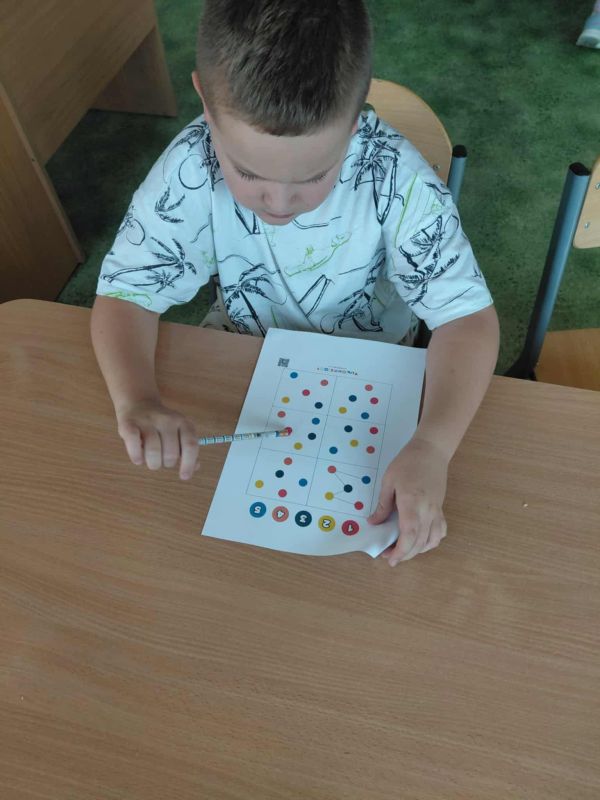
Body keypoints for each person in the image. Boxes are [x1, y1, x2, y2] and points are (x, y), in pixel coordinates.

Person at [91, 0, 500, 565]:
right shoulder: (190, 164)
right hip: (240, 357)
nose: (279, 202)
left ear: (355, 119)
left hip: (379, 378)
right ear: (205, 103)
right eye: (248, 172)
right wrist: (136, 398)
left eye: (313, 176)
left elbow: (467, 319)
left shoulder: (395, 176)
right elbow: (125, 294)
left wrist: (432, 447)